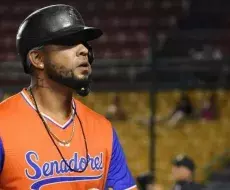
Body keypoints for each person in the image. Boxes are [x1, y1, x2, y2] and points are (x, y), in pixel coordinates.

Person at [0, 4, 137, 190]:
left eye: (85, 43)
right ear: (37, 58)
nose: (83, 50)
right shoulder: (3, 125)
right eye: (69, 42)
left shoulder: (102, 129)